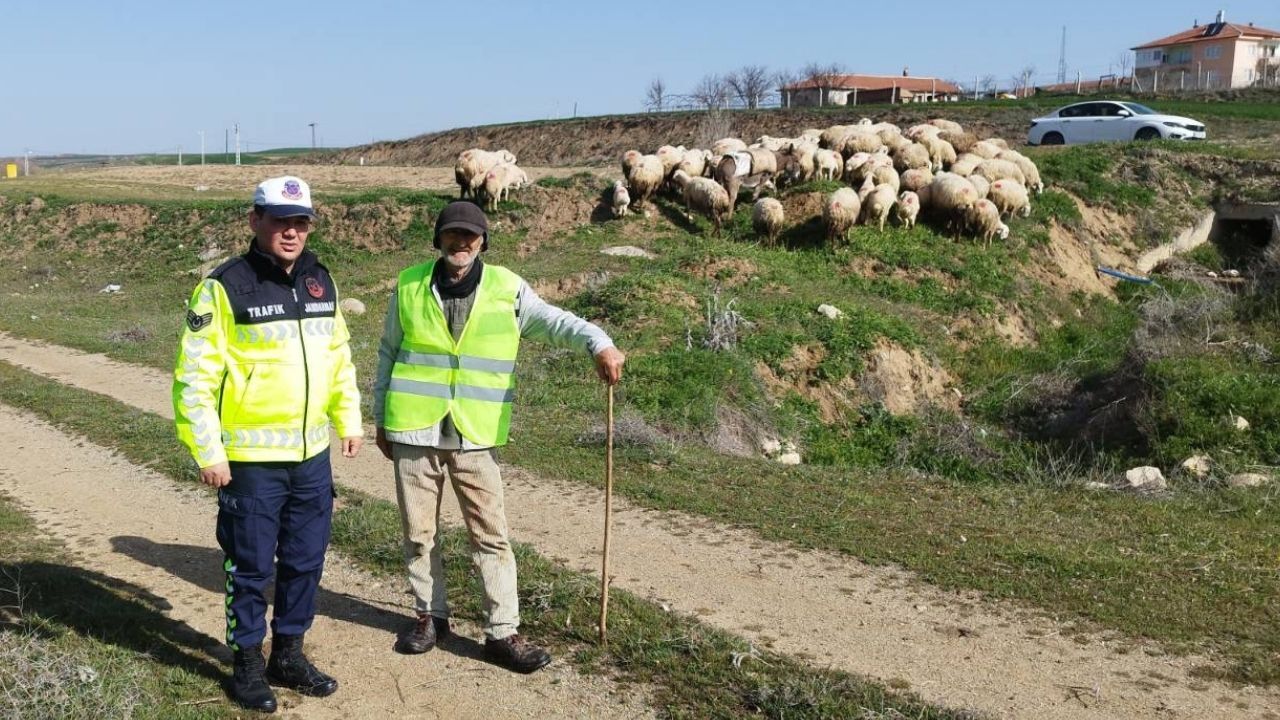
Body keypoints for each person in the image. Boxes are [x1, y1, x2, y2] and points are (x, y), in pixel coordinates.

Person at [373, 200, 624, 673]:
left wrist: (599, 340)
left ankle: (502, 631)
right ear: (438, 239)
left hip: (474, 431)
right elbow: (388, 351)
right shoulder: (408, 286)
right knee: (417, 532)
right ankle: (430, 617)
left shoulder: (508, 289)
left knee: (491, 534)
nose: (461, 242)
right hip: (413, 426)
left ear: (483, 241)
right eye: (452, 234)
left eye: (471, 235)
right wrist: (380, 418)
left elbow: (555, 321)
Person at [172, 175, 363, 713]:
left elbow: (339, 359)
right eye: (280, 220)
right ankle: (249, 663)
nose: (291, 231)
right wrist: (208, 451)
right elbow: (194, 379)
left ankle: (290, 655)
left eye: (301, 222)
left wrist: (347, 420)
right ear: (256, 220)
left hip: (310, 458)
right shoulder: (224, 286)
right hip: (251, 463)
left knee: (305, 562)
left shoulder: (320, 280)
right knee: (251, 567)